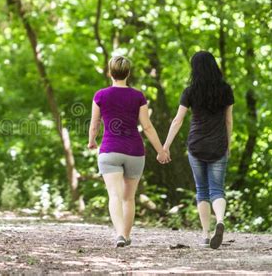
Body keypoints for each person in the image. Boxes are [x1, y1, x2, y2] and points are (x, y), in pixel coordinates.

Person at [88, 55, 170, 247]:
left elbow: (94, 124)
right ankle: (125, 234)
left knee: (114, 196)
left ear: (109, 72)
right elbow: (147, 127)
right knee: (128, 197)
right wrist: (161, 151)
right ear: (128, 73)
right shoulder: (138, 96)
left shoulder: (100, 95)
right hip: (134, 151)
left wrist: (92, 141)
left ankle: (119, 235)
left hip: (110, 151)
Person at [163, 51, 234, 249]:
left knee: (202, 190)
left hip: (196, 145)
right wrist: (228, 145)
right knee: (217, 189)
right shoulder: (225, 90)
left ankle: (205, 234)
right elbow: (228, 121)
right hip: (218, 145)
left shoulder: (190, 91)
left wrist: (165, 146)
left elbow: (178, 120)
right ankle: (220, 220)